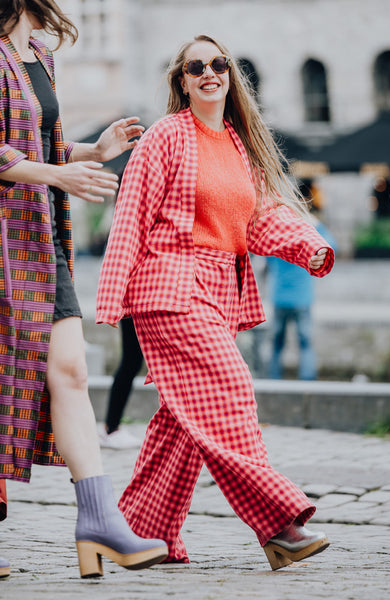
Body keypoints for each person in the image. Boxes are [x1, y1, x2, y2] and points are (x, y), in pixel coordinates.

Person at [96, 35, 335, 571]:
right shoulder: (164, 137)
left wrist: (309, 246)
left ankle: (138, 533)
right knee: (230, 391)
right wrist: (112, 297)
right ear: (181, 80)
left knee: (181, 424)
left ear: (231, 75)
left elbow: (259, 219)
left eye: (218, 63)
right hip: (168, 285)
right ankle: (278, 524)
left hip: (216, 292)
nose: (209, 72)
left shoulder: (237, 145)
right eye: (195, 66)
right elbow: (130, 215)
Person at [0, 0, 168, 579]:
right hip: (3, 244)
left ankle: (96, 521)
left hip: (42, 241)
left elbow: (42, 149)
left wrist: (93, 152)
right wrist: (53, 174)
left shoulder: (41, 56)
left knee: (70, 373)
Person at [267, 180, 337, 380]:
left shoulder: (278, 232)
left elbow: (267, 260)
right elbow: (332, 247)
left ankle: (274, 379)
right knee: (305, 343)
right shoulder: (310, 231)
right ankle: (308, 380)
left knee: (277, 344)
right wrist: (316, 224)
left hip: (279, 297)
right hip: (302, 298)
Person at [99, 316, 144, 449]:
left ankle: (111, 428)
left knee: (132, 361)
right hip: (139, 304)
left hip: (143, 303)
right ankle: (111, 428)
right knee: (132, 361)